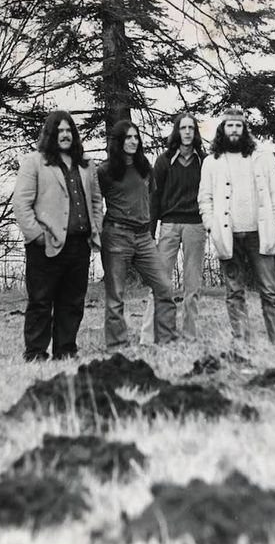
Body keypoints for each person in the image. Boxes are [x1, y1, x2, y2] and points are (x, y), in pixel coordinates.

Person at [12, 110, 103, 361]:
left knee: (72, 302)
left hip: (79, 245)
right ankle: (36, 354)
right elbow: (21, 203)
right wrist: (36, 235)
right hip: (45, 246)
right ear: (51, 134)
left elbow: (96, 201)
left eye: (69, 130)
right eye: (60, 130)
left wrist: (95, 229)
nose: (65, 135)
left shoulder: (86, 164)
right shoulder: (34, 162)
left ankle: (66, 351)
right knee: (41, 302)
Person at [198, 107, 275, 345]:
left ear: (244, 129)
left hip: (260, 234)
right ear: (222, 129)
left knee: (269, 290)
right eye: (230, 126)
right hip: (228, 236)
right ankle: (242, 342)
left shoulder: (263, 158)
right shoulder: (211, 162)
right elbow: (204, 199)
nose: (234, 130)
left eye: (239, 126)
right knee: (234, 291)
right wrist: (211, 226)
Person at [97, 120, 177, 349]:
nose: (133, 141)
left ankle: (167, 342)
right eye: (128, 137)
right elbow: (94, 203)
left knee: (164, 287)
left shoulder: (145, 167)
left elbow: (149, 201)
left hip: (144, 238)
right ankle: (117, 348)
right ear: (118, 141)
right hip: (116, 236)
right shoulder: (105, 171)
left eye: (136, 137)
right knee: (116, 297)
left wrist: (151, 233)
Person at [140, 112, 206, 343]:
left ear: (195, 132)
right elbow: (154, 200)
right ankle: (150, 336)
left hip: (195, 227)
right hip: (168, 226)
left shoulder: (203, 161)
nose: (187, 132)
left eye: (191, 128)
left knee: (193, 285)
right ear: (177, 131)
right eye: (183, 128)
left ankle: (189, 336)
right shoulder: (163, 161)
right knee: (159, 282)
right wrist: (149, 233)